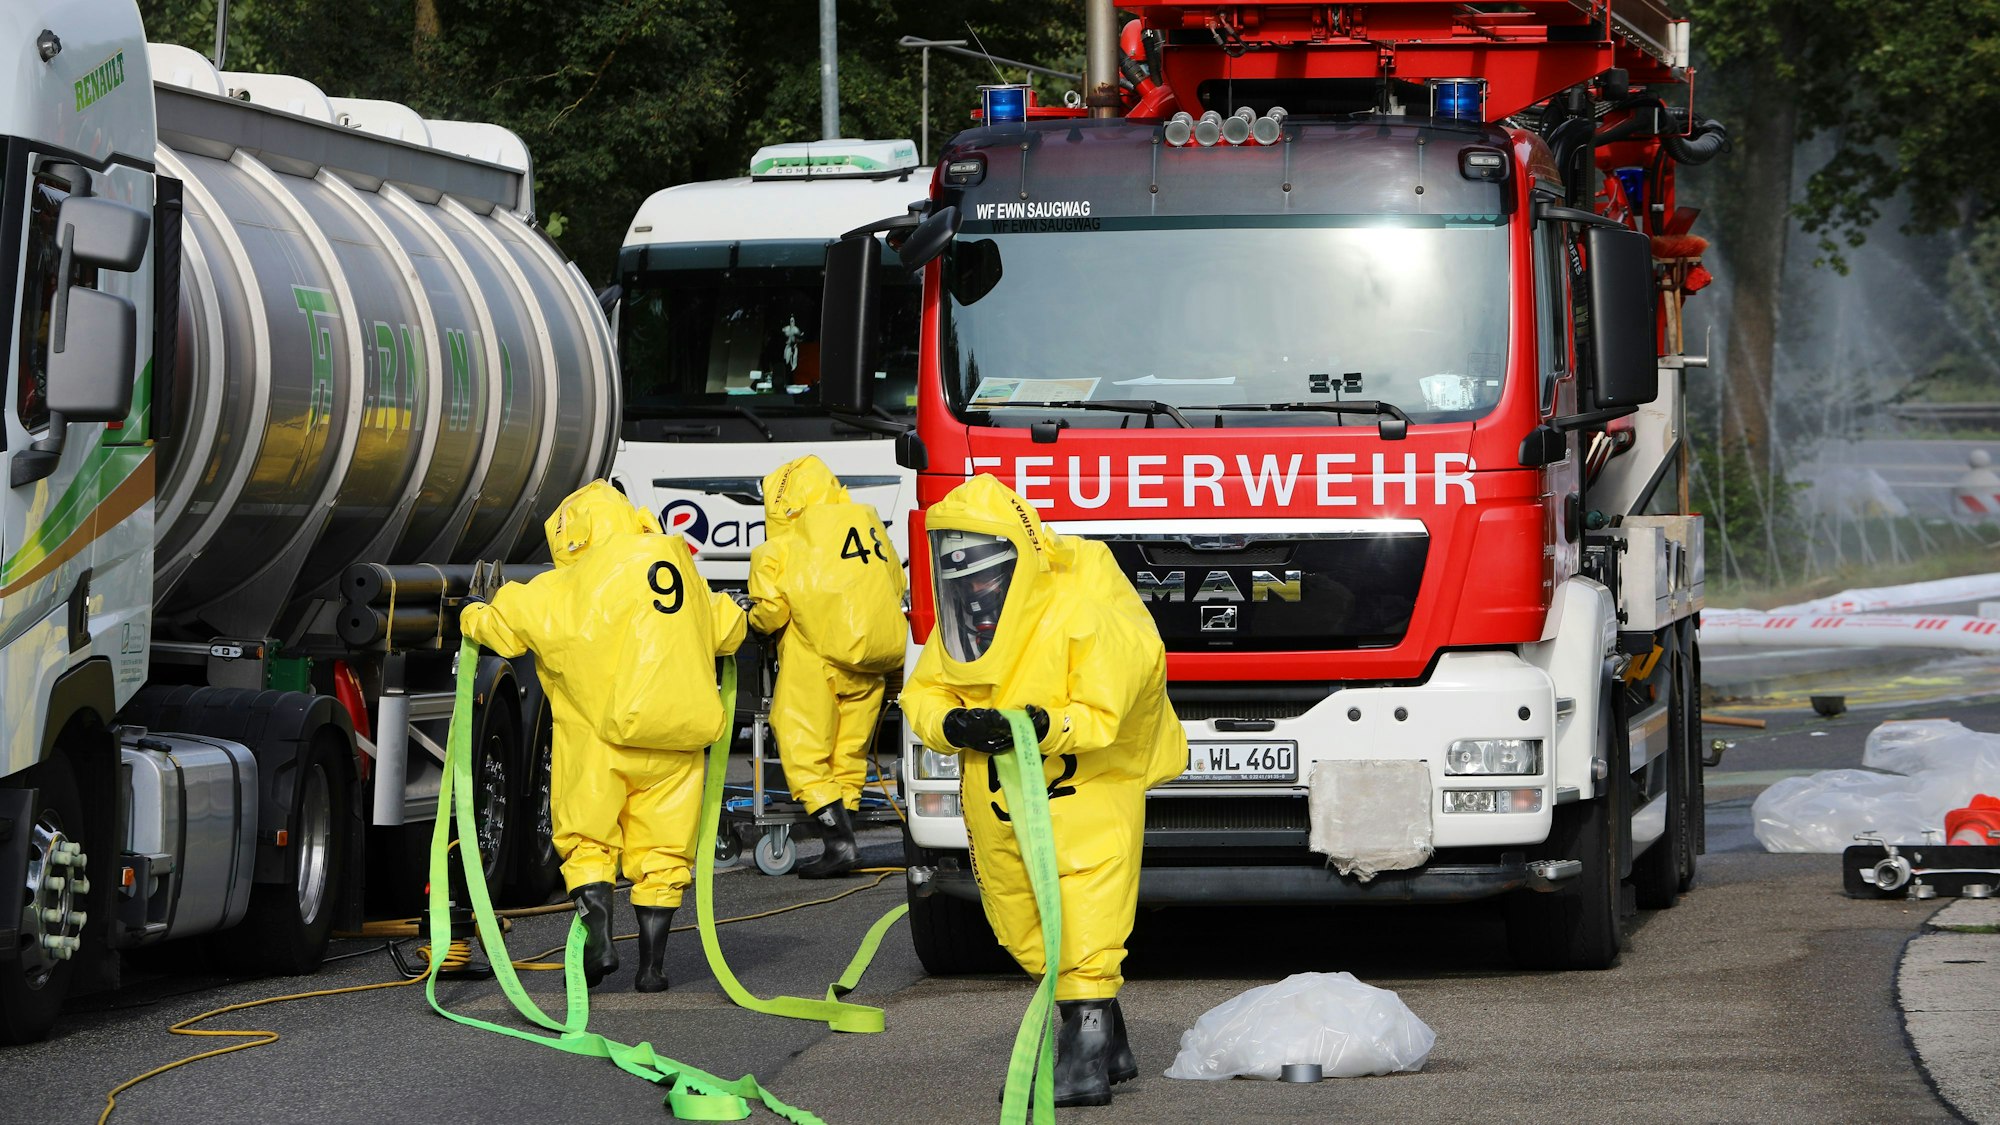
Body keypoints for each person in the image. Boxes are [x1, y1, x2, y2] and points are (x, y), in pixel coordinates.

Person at [899, 475, 1186, 1107]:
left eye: (983, 576)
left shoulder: (1083, 610)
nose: (974, 590)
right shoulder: (963, 622)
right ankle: (1109, 1041)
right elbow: (925, 692)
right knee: (1021, 916)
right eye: (960, 575)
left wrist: (1041, 725)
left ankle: (1085, 1057)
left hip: (1087, 789)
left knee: (1085, 906)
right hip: (999, 800)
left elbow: (1106, 709)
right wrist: (951, 725)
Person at [461, 480, 746, 991]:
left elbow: (503, 628)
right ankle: (652, 968)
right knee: (664, 853)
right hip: (678, 743)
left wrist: (472, 609)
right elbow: (729, 628)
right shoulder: (678, 565)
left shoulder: (568, 585)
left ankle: (599, 941)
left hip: (600, 744)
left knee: (588, 839)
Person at [746, 455, 906, 878]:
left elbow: (772, 612)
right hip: (872, 660)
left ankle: (838, 843)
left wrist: (753, 621)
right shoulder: (870, 527)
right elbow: (897, 583)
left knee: (802, 747)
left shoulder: (781, 547)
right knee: (848, 753)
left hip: (814, 661)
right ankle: (844, 839)